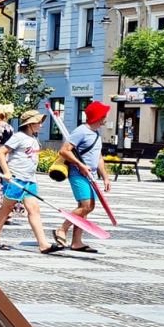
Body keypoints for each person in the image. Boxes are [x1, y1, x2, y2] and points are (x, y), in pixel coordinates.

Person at [0, 109, 62, 255]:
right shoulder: (19, 137)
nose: (41, 125)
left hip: (30, 180)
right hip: (16, 179)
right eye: (38, 122)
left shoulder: (34, 138)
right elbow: (1, 153)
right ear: (30, 124)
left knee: (34, 210)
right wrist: (7, 172)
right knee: (6, 209)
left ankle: (43, 244)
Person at [54, 100, 112, 252]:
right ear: (99, 117)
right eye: (104, 115)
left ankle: (77, 242)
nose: (106, 117)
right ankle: (62, 229)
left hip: (90, 175)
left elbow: (98, 157)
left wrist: (105, 177)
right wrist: (80, 165)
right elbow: (64, 150)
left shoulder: (96, 134)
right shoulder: (81, 131)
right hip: (78, 173)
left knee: (86, 208)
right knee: (87, 206)